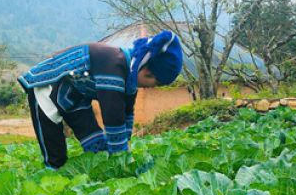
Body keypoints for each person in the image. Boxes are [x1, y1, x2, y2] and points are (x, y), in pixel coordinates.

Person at [17, 30, 183, 169]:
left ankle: (97, 178)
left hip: (75, 96)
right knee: (55, 154)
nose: (151, 88)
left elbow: (126, 113)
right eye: (155, 82)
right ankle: (51, 181)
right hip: (46, 86)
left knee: (97, 146)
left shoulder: (130, 77)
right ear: (146, 70)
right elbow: (112, 115)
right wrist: (121, 159)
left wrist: (125, 147)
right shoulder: (114, 65)